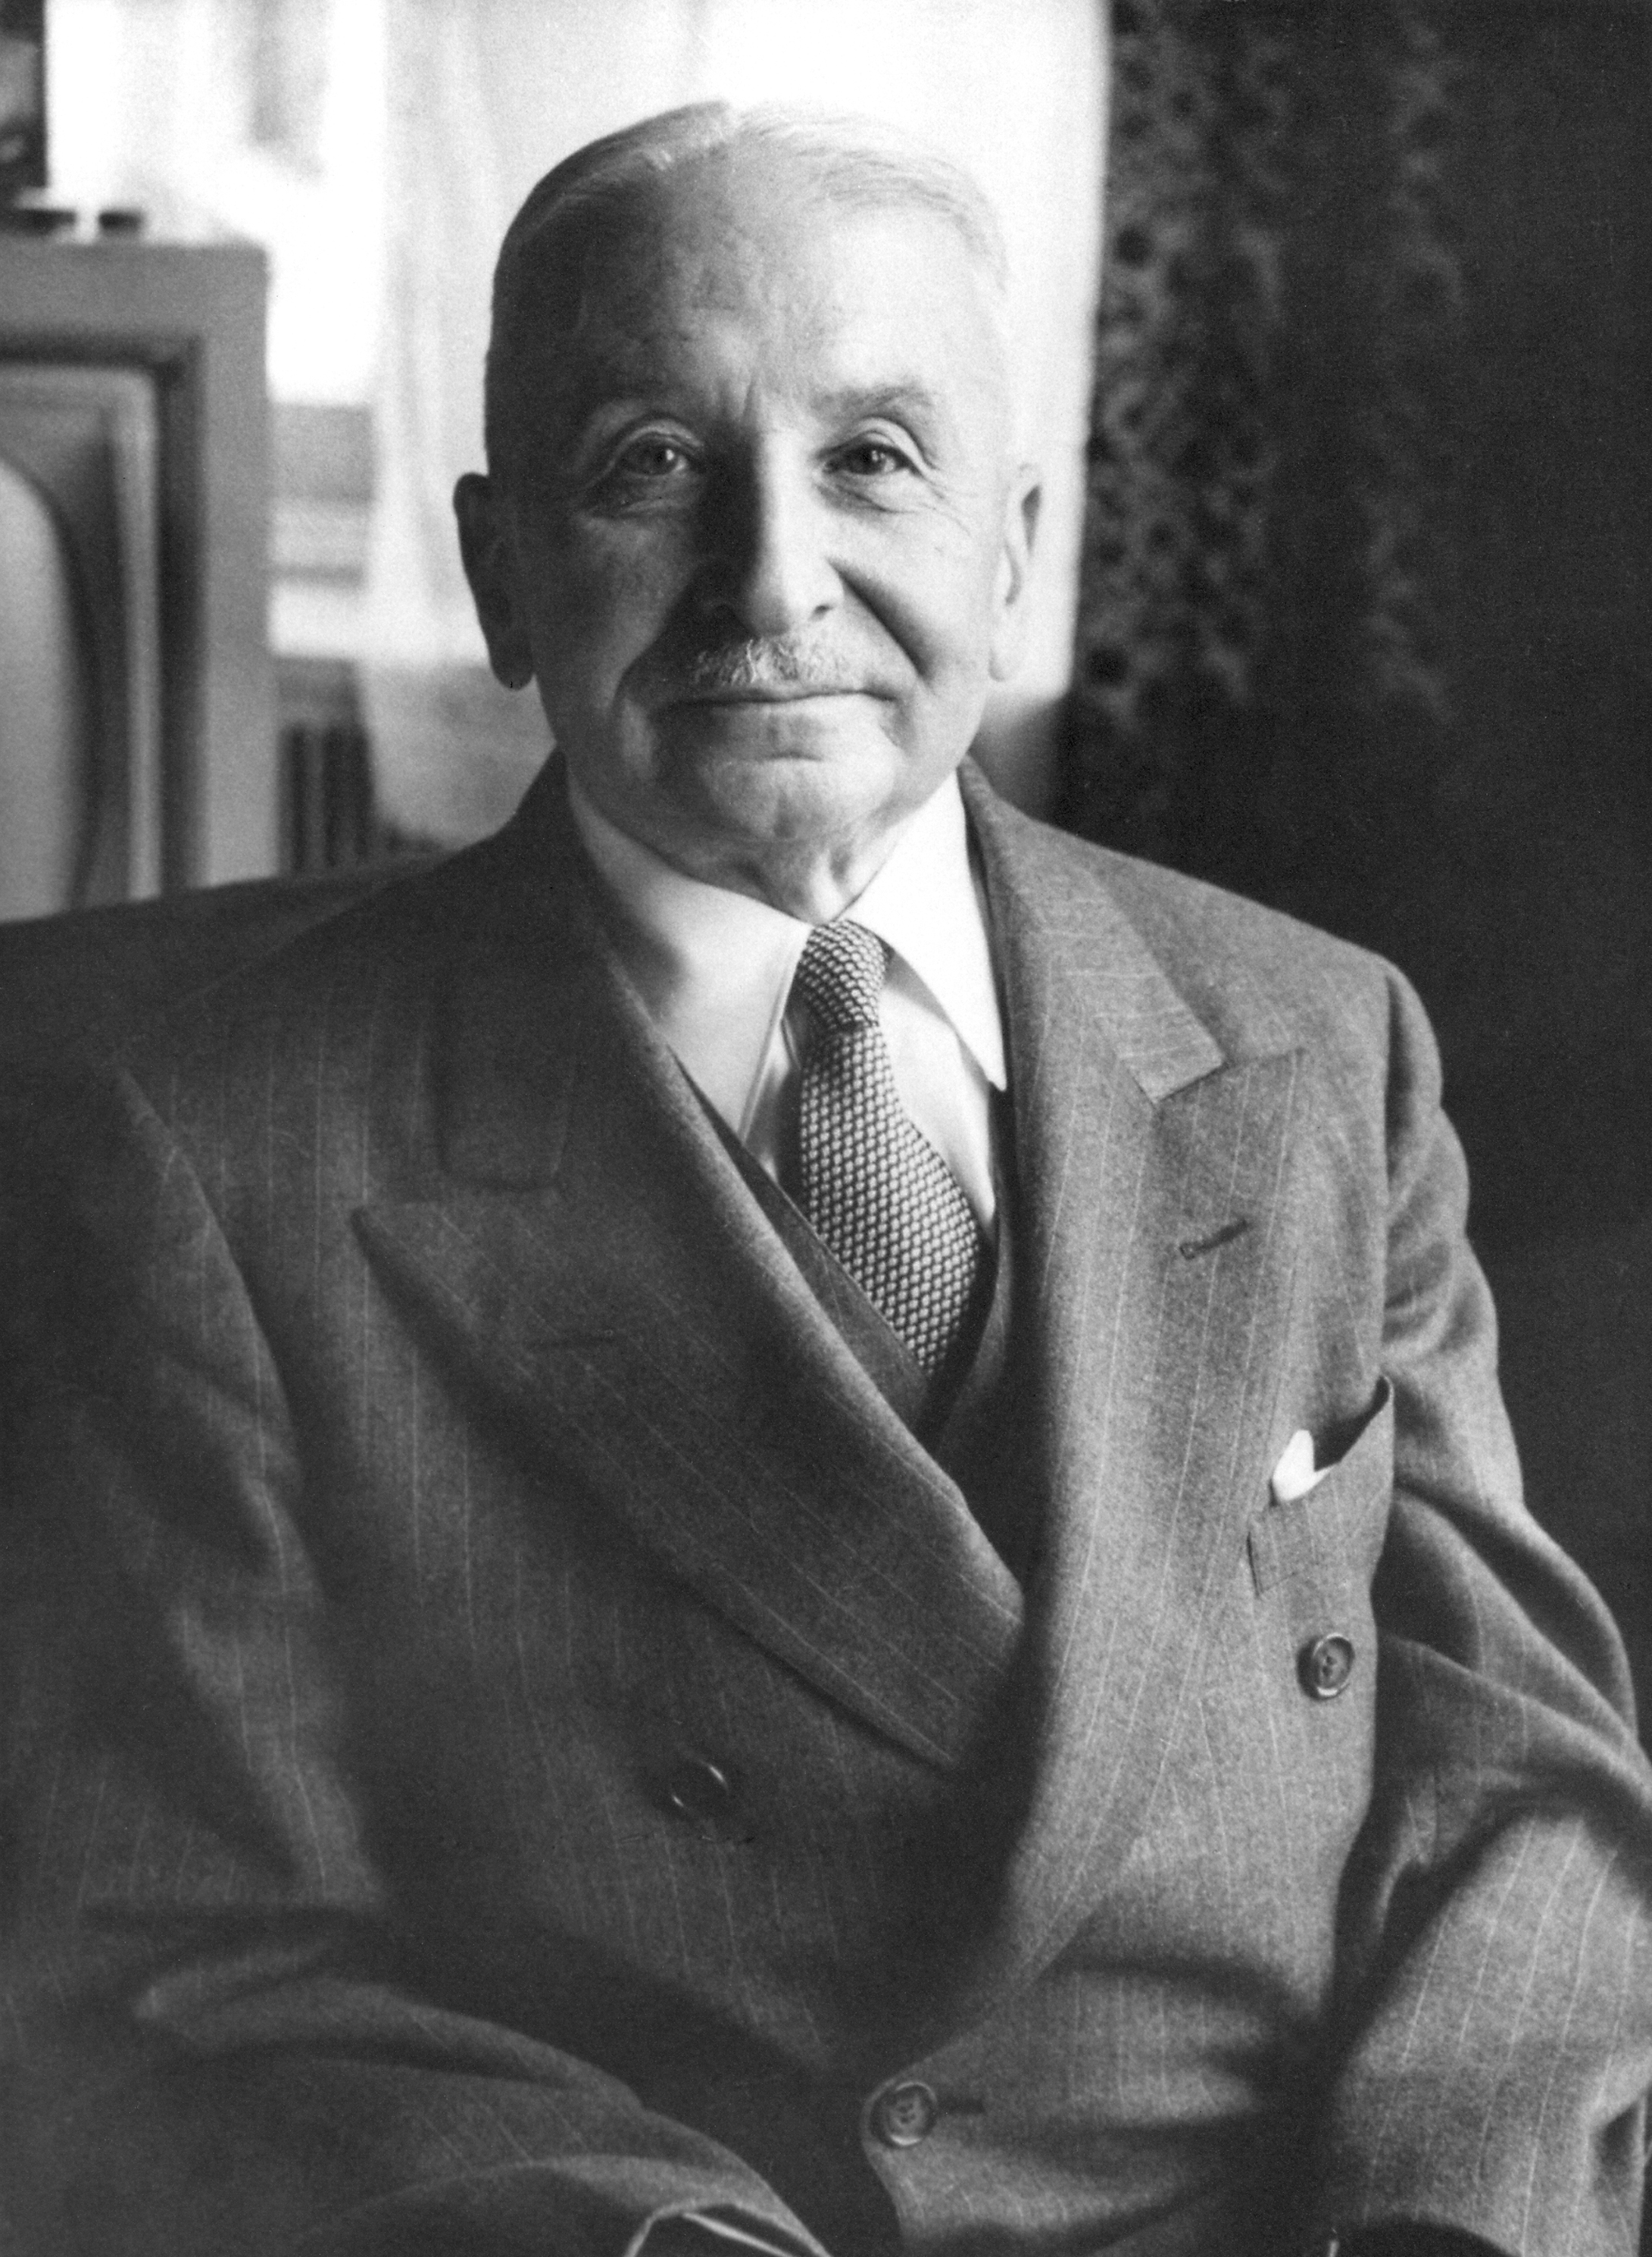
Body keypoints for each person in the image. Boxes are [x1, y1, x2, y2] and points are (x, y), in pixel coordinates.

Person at [3, 102, 1650, 2257]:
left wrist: (1451, 2225)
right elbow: (191, 1964)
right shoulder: (203, 1149)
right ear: (501, 574)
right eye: (650, 464)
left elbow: (1520, 1777)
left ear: (1013, 546)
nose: (773, 578)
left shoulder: (1323, 1044)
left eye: (874, 457)